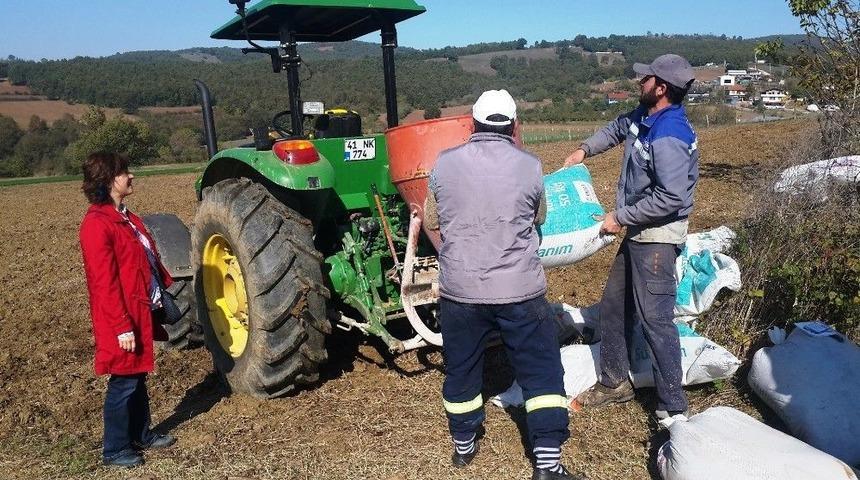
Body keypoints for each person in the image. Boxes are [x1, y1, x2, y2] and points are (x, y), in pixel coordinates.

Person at [425, 90, 584, 480]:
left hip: (460, 290)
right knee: (541, 372)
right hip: (520, 291)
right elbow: (539, 216)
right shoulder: (529, 166)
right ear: (513, 127)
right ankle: (547, 465)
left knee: (462, 367)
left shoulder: (444, 164)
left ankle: (464, 448)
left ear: (472, 123)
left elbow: (431, 219)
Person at [564, 54, 699, 420]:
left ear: (662, 87)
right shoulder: (646, 116)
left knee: (655, 319)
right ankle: (614, 382)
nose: (639, 82)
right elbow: (617, 128)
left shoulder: (669, 133)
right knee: (614, 307)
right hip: (639, 231)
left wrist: (619, 217)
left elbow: (671, 197)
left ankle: (673, 406)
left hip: (656, 237)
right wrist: (583, 150)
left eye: (646, 79)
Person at [79, 152, 177, 468]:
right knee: (123, 382)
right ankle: (115, 449)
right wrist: (122, 326)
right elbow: (103, 284)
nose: (131, 176)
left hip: (139, 310)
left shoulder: (126, 217)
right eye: (124, 172)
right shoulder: (97, 225)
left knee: (137, 377)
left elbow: (144, 262)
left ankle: (142, 435)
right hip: (120, 318)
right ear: (108, 180)